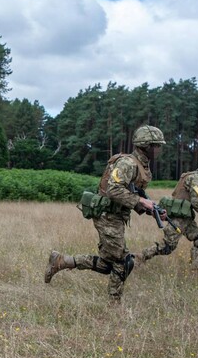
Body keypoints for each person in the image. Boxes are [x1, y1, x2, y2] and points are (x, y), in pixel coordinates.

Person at [44, 125, 166, 302]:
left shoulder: (142, 166)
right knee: (124, 262)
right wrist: (141, 201)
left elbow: (133, 194)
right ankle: (114, 303)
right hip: (107, 215)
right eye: (157, 145)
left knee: (108, 264)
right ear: (146, 145)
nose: (159, 150)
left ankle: (61, 261)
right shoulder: (127, 163)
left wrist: (151, 210)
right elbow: (113, 190)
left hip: (115, 216)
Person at [137, 154, 198, 274]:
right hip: (179, 217)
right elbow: (195, 201)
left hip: (186, 217)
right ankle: (138, 258)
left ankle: (196, 270)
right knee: (167, 246)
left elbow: (192, 197)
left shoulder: (196, 177)